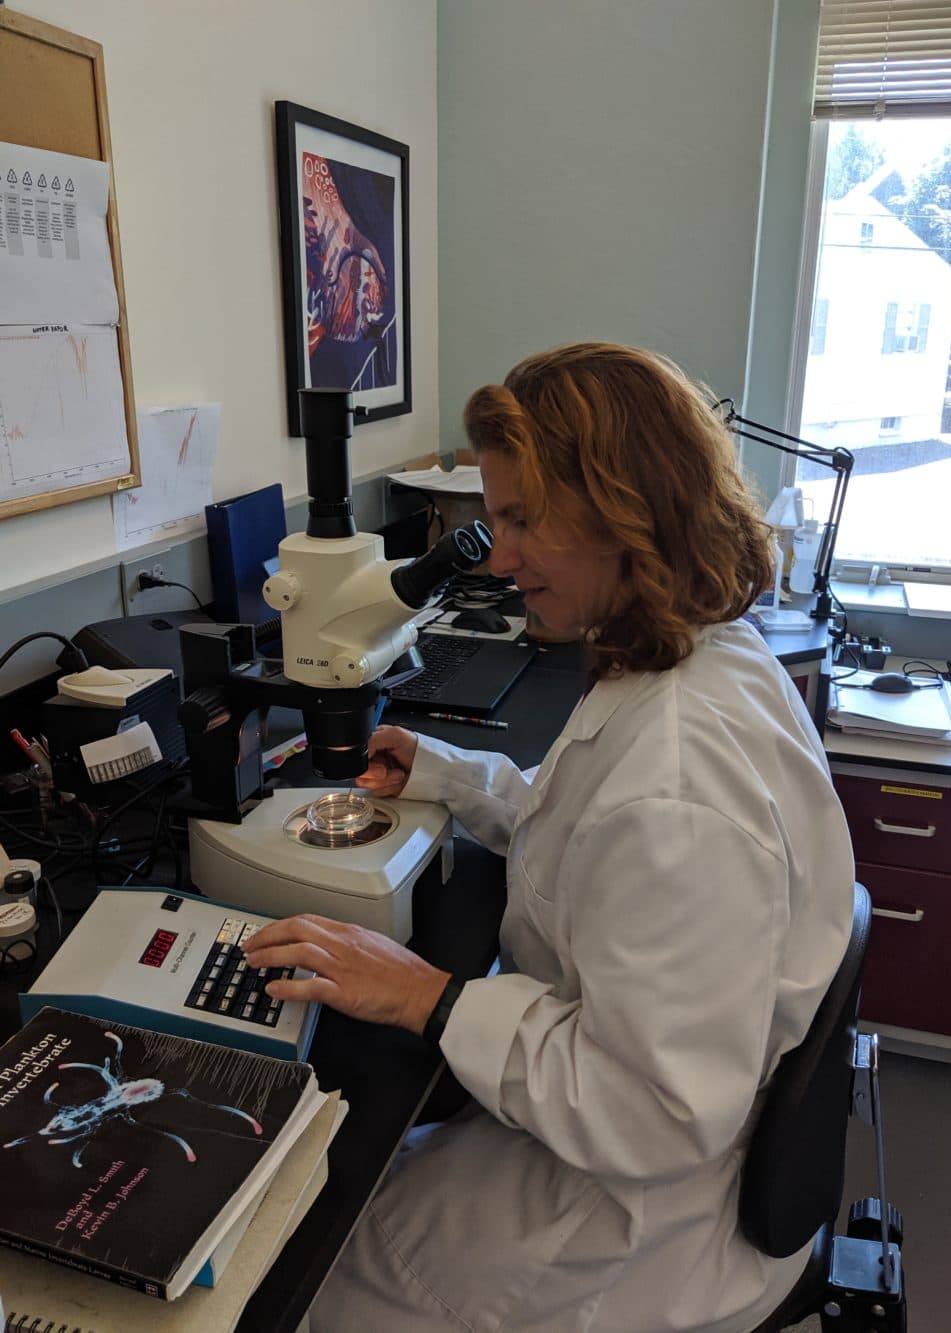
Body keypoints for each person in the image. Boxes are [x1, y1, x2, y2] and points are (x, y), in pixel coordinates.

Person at [243, 343, 855, 1332]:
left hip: (632, 1215)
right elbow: (594, 836)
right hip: (638, 1136)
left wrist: (424, 995)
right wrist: (451, 776)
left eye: (524, 518)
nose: (498, 553)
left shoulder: (679, 780)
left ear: (628, 512)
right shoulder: (697, 653)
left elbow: (653, 1109)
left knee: (298, 1276)